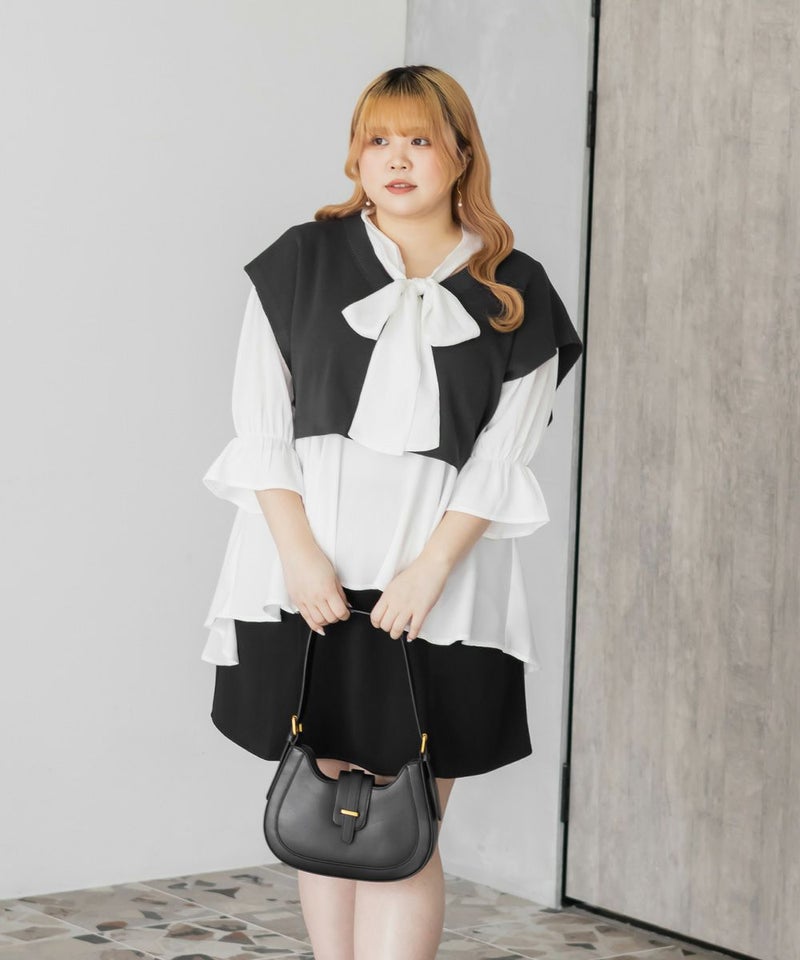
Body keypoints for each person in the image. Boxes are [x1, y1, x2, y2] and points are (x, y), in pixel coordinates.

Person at [201, 64, 583, 960]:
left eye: (419, 140)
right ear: (356, 156)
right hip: (304, 577)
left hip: (441, 593)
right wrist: (299, 559)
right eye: (378, 140)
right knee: (322, 815)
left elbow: (502, 459)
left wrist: (428, 572)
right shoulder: (300, 260)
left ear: (461, 154)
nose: (397, 159)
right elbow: (261, 428)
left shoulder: (517, 290)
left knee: (405, 829)